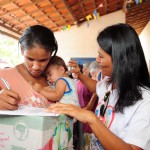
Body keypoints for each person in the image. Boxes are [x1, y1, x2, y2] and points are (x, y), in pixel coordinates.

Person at [48, 23, 150, 150]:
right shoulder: (110, 83)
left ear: (120, 60)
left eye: (101, 56)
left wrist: (92, 119)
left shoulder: (145, 101)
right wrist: (79, 75)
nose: (97, 60)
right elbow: (96, 87)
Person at [0, 25, 58, 110]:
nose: (36, 67)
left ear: (51, 54)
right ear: (22, 50)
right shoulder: (3, 76)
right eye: (30, 59)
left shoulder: (54, 77)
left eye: (43, 60)